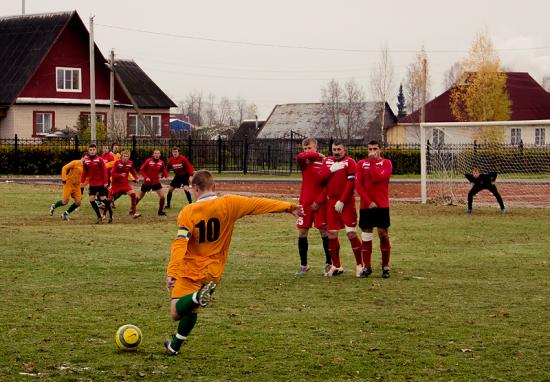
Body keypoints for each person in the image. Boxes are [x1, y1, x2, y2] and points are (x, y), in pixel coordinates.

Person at [164, 170, 303, 356]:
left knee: (176, 312)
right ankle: (174, 346)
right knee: (193, 309)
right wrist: (289, 207)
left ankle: (197, 296)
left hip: (191, 269)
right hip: (214, 271)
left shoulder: (188, 212)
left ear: (195, 188)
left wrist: (172, 271)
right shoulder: (229, 203)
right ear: (214, 187)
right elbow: (257, 203)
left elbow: (180, 243)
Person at [317, 141, 362, 277]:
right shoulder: (327, 161)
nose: (336, 152)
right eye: (334, 149)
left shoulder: (350, 162)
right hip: (331, 202)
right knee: (331, 234)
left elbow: (351, 183)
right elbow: (320, 179)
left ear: (344, 150)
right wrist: (331, 170)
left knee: (351, 233)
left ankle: (360, 265)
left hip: (347, 203)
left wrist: (342, 200)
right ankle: (336, 266)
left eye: (339, 149)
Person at [355, 140, 393, 279]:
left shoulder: (386, 163)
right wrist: (369, 201)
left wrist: (372, 163)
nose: (372, 151)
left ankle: (385, 266)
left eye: (375, 149)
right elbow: (358, 185)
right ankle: (367, 267)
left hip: (382, 205)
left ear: (380, 150)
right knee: (366, 235)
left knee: (383, 234)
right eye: (370, 149)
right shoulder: (360, 164)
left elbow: (378, 178)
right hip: (366, 206)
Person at [295, 137, 331, 276]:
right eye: (305, 149)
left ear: (316, 147)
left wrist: (319, 201)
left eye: (310, 148)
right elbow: (300, 156)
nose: (307, 151)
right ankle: (304, 265)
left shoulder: (325, 162)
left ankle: (329, 263)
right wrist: (317, 154)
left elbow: (328, 185)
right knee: (302, 232)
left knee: (324, 231)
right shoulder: (304, 161)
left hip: (320, 203)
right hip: (304, 202)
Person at [80, 144, 112, 223]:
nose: (92, 151)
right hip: (92, 183)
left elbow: (104, 171)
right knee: (91, 200)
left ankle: (110, 214)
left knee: (103, 199)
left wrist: (105, 182)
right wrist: (82, 181)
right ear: (88, 151)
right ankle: (99, 216)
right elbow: (84, 172)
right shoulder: (86, 160)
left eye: (93, 150)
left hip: (100, 183)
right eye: (90, 150)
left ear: (96, 150)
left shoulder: (99, 159)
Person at [107, 150, 141, 218]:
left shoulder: (130, 163)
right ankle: (104, 214)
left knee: (133, 195)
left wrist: (136, 178)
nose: (125, 158)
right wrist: (120, 175)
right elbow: (112, 173)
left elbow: (133, 171)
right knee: (109, 199)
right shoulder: (117, 162)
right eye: (124, 156)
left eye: (127, 156)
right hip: (116, 184)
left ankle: (134, 213)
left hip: (125, 184)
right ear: (121, 157)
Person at [135, 149, 169, 216]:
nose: (156, 155)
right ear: (153, 154)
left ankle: (160, 211)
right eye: (155, 153)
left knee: (162, 197)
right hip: (147, 182)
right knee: (139, 197)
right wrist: (146, 177)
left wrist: (166, 176)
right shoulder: (148, 161)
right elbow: (142, 170)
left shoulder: (161, 162)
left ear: (160, 155)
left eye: (158, 153)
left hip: (156, 182)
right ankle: (132, 209)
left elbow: (164, 169)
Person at [49, 156, 84, 221]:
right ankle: (53, 206)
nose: (86, 160)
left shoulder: (87, 166)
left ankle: (65, 214)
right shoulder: (75, 162)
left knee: (78, 202)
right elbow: (64, 168)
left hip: (77, 186)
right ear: (82, 157)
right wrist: (64, 178)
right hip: (69, 184)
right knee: (65, 202)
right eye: (85, 158)